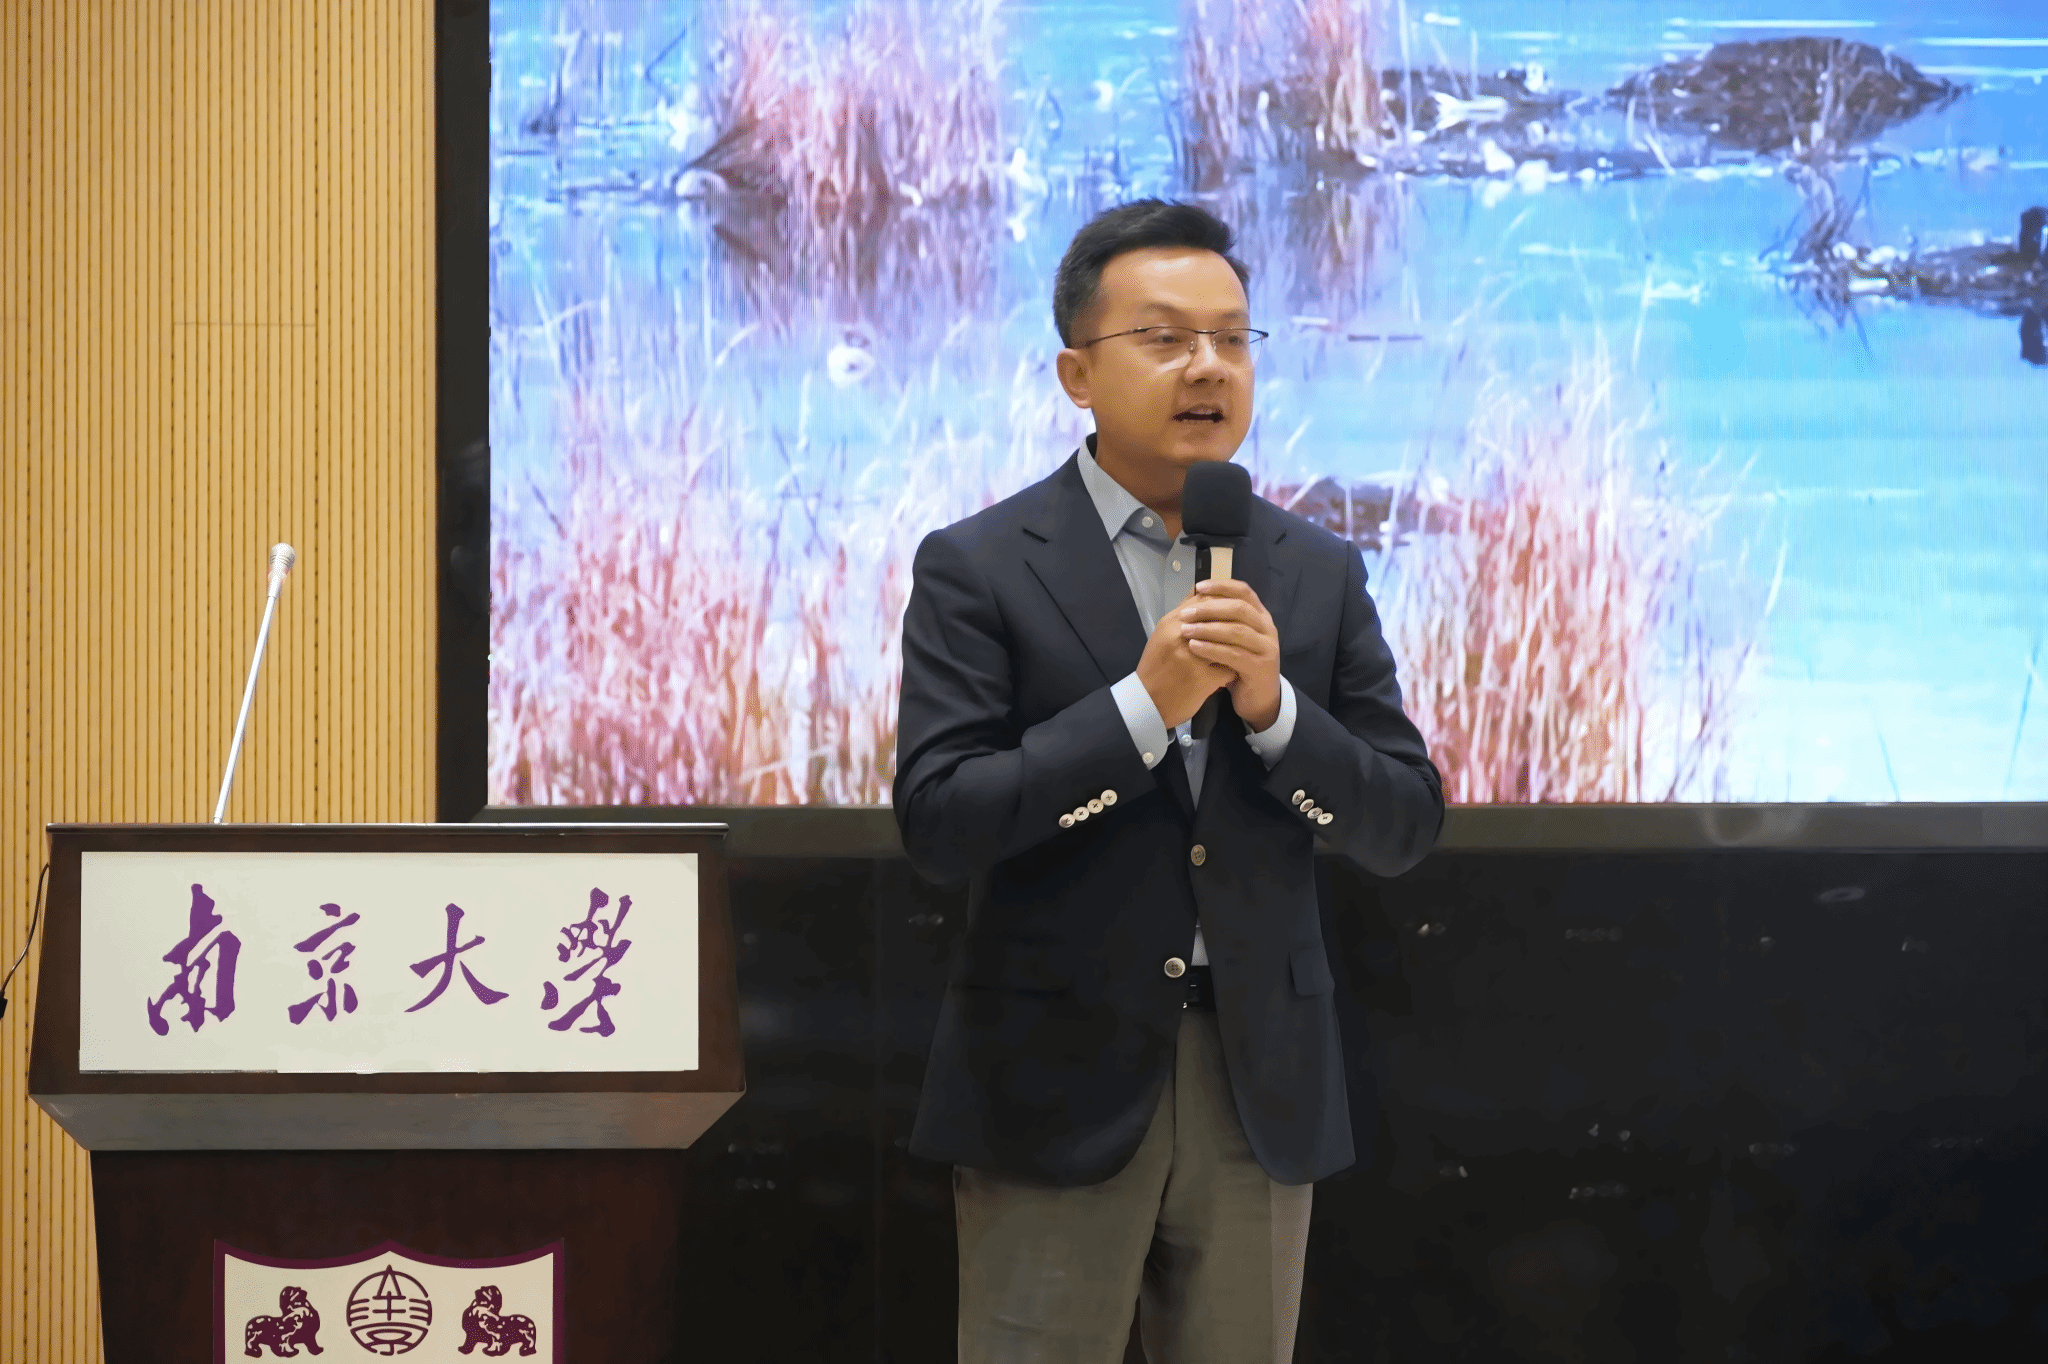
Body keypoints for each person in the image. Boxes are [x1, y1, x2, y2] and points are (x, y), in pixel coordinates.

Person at [893, 199, 1443, 1364]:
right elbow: (941, 820)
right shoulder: (978, 565)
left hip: (1258, 1082)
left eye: (1231, 338)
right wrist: (1140, 707)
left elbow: (1400, 822)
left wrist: (1274, 711)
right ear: (1075, 374)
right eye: (1163, 337)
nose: (1207, 366)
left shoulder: (1315, 570)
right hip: (1051, 1081)